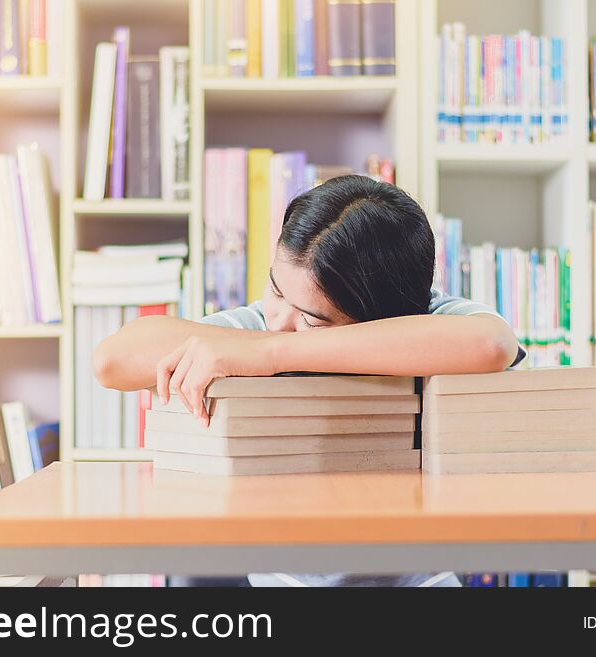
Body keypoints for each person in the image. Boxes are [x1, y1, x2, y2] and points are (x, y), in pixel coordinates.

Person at [94, 175, 525, 587]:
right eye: (276, 289)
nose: (279, 322)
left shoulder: (425, 319)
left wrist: (270, 354)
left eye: (312, 319)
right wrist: (263, 340)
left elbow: (491, 344)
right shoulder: (262, 323)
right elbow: (113, 360)